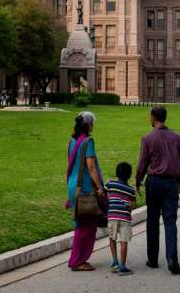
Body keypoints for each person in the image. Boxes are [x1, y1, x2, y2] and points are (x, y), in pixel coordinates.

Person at [135, 106, 180, 275]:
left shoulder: (148, 138)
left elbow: (143, 163)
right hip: (171, 183)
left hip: (154, 182)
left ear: (153, 117)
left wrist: (138, 180)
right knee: (170, 221)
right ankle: (172, 259)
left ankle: (152, 259)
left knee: (152, 220)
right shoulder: (177, 138)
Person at [66, 111, 104, 271]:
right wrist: (100, 187)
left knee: (81, 223)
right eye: (92, 123)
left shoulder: (71, 141)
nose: (93, 126)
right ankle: (77, 261)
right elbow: (91, 166)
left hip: (73, 184)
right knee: (86, 225)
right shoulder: (88, 142)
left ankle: (78, 258)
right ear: (88, 125)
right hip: (86, 186)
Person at [107, 161, 136, 275]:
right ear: (129, 175)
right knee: (124, 241)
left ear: (116, 173)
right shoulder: (131, 189)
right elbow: (133, 205)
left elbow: (102, 192)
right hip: (125, 217)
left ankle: (115, 262)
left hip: (112, 216)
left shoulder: (110, 184)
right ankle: (123, 266)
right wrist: (128, 207)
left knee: (112, 238)